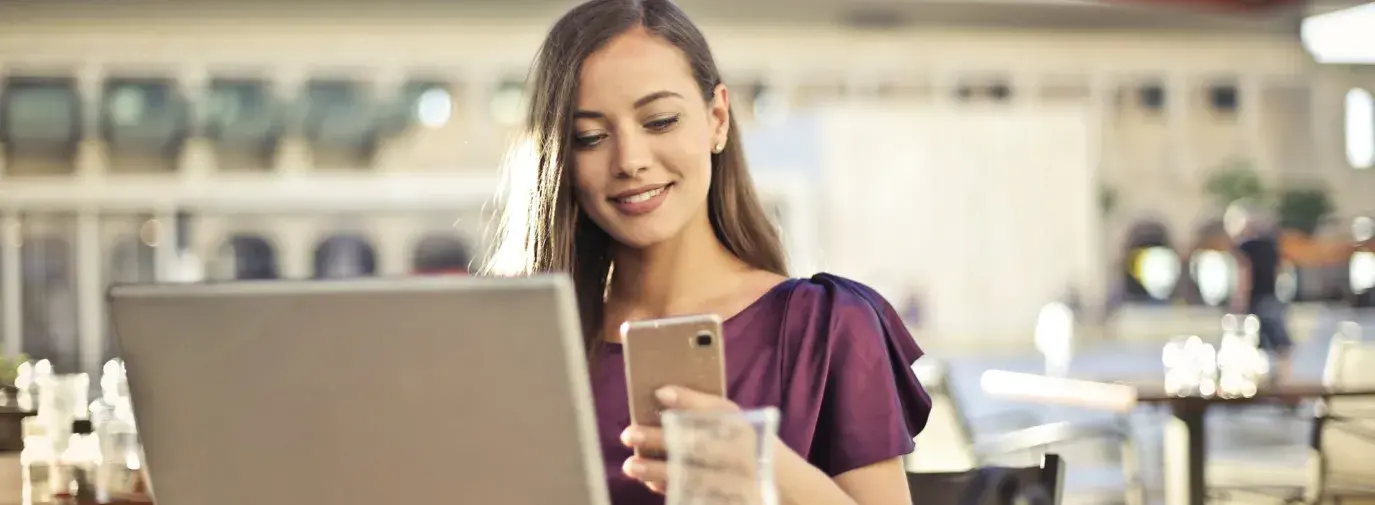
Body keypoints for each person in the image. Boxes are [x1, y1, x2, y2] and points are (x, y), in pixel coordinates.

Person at [487, 1, 931, 503]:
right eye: (590, 137)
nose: (630, 161)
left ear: (717, 119)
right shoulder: (526, 347)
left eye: (659, 121)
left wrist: (764, 467)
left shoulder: (825, 326)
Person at [1225, 200, 1294, 382]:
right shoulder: (1270, 245)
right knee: (1280, 342)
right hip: (1271, 297)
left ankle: (1252, 379)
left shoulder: (1244, 247)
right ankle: (1284, 379)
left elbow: (1244, 274)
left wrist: (1238, 300)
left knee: (1250, 340)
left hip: (1254, 300)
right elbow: (1280, 270)